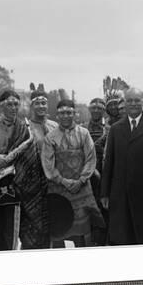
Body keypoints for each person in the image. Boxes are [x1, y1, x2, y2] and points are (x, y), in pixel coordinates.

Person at [101, 88, 143, 245]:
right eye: (129, 100)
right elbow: (109, 162)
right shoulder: (116, 129)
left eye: (136, 100)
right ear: (124, 103)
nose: (133, 104)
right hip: (120, 193)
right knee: (123, 239)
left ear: (142, 102)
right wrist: (105, 192)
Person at [41, 99, 105, 247]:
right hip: (59, 190)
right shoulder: (50, 138)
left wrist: (81, 180)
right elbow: (48, 165)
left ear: (74, 114)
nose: (66, 116)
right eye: (62, 113)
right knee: (60, 228)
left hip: (81, 189)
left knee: (83, 230)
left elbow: (90, 159)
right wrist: (64, 182)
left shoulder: (84, 134)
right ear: (57, 116)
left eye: (69, 112)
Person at [0, 89, 49, 250]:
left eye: (16, 104)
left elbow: (31, 157)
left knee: (11, 232)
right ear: (0, 105)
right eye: (9, 104)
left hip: (17, 188)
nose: (13, 107)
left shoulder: (24, 127)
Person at [83, 97, 111, 245]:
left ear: (103, 110)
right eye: (93, 108)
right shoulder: (82, 129)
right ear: (89, 109)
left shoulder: (109, 129)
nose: (96, 111)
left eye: (99, 108)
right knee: (88, 206)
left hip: (104, 174)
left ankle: (102, 240)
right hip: (86, 175)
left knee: (103, 206)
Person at [28, 88, 58, 153]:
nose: (41, 106)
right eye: (37, 103)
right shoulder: (26, 128)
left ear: (47, 105)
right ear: (32, 106)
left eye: (43, 103)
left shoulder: (55, 126)